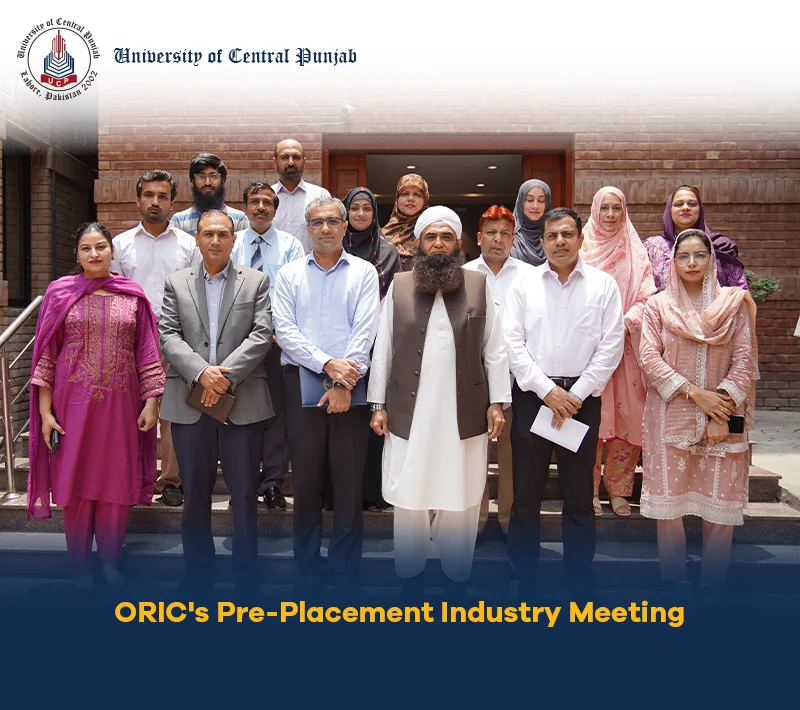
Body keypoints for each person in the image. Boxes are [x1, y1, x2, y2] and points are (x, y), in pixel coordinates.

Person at [368, 206, 510, 597]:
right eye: (430, 236)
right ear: (419, 242)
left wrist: (498, 401)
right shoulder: (399, 286)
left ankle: (456, 576)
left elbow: (495, 348)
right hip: (408, 411)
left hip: (464, 410)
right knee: (409, 495)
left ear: (458, 243)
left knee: (460, 494)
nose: (438, 244)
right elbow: (383, 349)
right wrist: (377, 404)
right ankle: (410, 576)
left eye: (446, 237)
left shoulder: (478, 285)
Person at [28, 223, 165, 590]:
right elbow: (46, 356)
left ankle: (109, 561)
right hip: (70, 407)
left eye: (100, 246)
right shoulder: (60, 293)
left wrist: (151, 402)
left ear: (111, 251)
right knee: (74, 484)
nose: (94, 254)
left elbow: (147, 353)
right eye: (86, 248)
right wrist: (45, 413)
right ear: (76, 254)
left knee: (116, 483)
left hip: (121, 407)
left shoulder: (132, 296)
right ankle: (80, 567)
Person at [504, 207, 624, 599]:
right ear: (541, 241)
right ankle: (524, 574)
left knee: (578, 494)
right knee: (526, 493)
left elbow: (611, 345)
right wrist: (547, 391)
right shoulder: (524, 285)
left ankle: (579, 576)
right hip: (534, 398)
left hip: (581, 402)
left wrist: (576, 393)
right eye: (552, 235)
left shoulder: (603, 286)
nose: (560, 241)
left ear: (580, 239)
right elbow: (513, 343)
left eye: (567, 234)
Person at [639, 229, 758, 600]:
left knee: (720, 497)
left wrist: (720, 409)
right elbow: (649, 358)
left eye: (699, 255)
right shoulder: (658, 306)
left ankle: (712, 580)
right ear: (673, 262)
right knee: (670, 502)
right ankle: (674, 577)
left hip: (725, 412)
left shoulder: (733, 305)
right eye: (683, 256)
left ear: (712, 260)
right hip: (669, 411)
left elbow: (744, 360)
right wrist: (695, 394)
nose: (691, 263)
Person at [159, 210, 273, 598]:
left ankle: (246, 576)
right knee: (194, 493)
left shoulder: (256, 281)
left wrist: (223, 377)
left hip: (243, 401)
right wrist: (201, 373)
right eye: (208, 233)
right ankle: (197, 574)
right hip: (189, 402)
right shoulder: (176, 283)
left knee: (244, 494)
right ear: (196, 238)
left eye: (223, 234)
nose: (215, 240)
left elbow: (262, 334)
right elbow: (168, 335)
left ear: (234, 239)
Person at [273, 196, 380, 596]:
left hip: (351, 385)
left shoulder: (364, 272)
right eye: (317, 222)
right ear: (307, 229)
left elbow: (365, 331)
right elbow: (285, 331)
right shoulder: (289, 274)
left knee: (349, 483)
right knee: (306, 481)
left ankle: (345, 569)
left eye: (333, 221)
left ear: (344, 226)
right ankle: (307, 567)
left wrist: (342, 383)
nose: (326, 228)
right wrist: (327, 365)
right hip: (300, 382)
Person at [111, 169, 202, 508]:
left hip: (174, 337)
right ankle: (131, 477)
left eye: (162, 196)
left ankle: (170, 481)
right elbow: (113, 291)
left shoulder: (188, 245)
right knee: (128, 409)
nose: (155, 201)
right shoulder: (120, 244)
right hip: (130, 339)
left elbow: (196, 292)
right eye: (149, 195)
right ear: (138, 200)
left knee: (172, 412)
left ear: (172, 203)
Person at [580, 186, 657, 517]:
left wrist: (626, 322)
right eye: (605, 208)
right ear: (595, 210)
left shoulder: (636, 251)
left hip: (626, 349)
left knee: (627, 419)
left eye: (616, 208)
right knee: (591, 420)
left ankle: (618, 490)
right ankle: (587, 490)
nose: (611, 214)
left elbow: (648, 296)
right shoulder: (582, 247)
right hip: (590, 350)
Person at [232, 181, 304, 511]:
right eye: (254, 201)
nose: (260, 207)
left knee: (277, 416)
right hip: (237, 345)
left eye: (267, 202)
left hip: (277, 343)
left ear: (275, 209)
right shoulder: (232, 244)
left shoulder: (291, 246)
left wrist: (279, 331)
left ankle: (273, 483)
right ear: (245, 207)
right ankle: (243, 486)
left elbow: (296, 293)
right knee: (240, 415)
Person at [463, 205, 534, 538]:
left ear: (514, 238)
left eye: (505, 233)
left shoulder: (530, 276)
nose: (498, 239)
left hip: (518, 381)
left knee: (513, 458)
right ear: (479, 238)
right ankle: (474, 523)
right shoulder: (464, 274)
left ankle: (508, 522)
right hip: (473, 382)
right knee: (474, 457)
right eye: (491, 232)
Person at [342, 186, 401, 511]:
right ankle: (340, 493)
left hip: (377, 345)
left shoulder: (388, 252)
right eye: (355, 208)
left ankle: (373, 492)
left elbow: (391, 300)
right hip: (338, 349)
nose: (361, 214)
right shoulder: (335, 246)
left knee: (372, 418)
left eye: (367, 208)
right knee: (344, 422)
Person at [645, 185, 747, 292]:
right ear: (670, 210)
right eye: (679, 204)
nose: (685, 208)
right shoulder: (653, 247)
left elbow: (739, 292)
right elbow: (642, 290)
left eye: (692, 204)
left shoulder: (720, 246)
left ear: (700, 210)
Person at [271, 139, 332, 253]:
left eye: (296, 157)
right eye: (285, 157)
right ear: (275, 162)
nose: (291, 163)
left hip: (311, 263)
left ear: (304, 161)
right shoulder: (265, 198)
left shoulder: (320, 196)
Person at [171, 153, 249, 235]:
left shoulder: (240, 220)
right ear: (192, 181)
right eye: (201, 176)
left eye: (213, 176)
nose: (207, 182)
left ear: (223, 180)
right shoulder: (179, 221)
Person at [382, 173, 430, 272]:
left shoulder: (433, 234)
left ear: (425, 200)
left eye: (417, 194)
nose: (410, 198)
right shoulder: (381, 236)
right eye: (405, 194)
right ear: (397, 199)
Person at [509, 179, 552, 267]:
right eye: (529, 200)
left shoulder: (555, 236)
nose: (535, 206)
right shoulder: (508, 235)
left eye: (541, 200)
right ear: (521, 203)